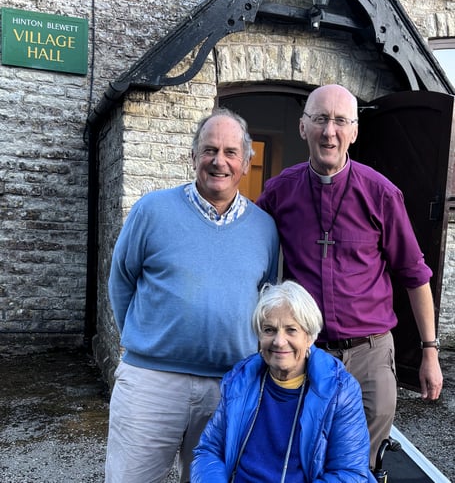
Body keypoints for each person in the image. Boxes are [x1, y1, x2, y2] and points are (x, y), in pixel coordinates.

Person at [256, 84, 443, 467]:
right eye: (320, 119)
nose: (330, 131)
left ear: (354, 132)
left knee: (361, 462)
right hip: (305, 353)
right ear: (302, 128)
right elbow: (246, 252)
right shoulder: (278, 192)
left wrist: (430, 352)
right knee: (301, 455)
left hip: (371, 355)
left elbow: (414, 274)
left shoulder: (381, 194)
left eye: (341, 121)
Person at [105, 108, 280, 483]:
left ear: (246, 163)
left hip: (229, 388)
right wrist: (147, 339)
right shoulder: (152, 210)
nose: (219, 161)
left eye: (231, 152)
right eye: (209, 150)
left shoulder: (265, 229)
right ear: (193, 156)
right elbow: (121, 279)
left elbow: (266, 301)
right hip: (151, 382)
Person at [191, 280, 376, 482]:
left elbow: (348, 473)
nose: (279, 341)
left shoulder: (340, 391)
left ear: (310, 336)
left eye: (291, 330)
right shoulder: (240, 380)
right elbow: (209, 450)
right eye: (269, 330)